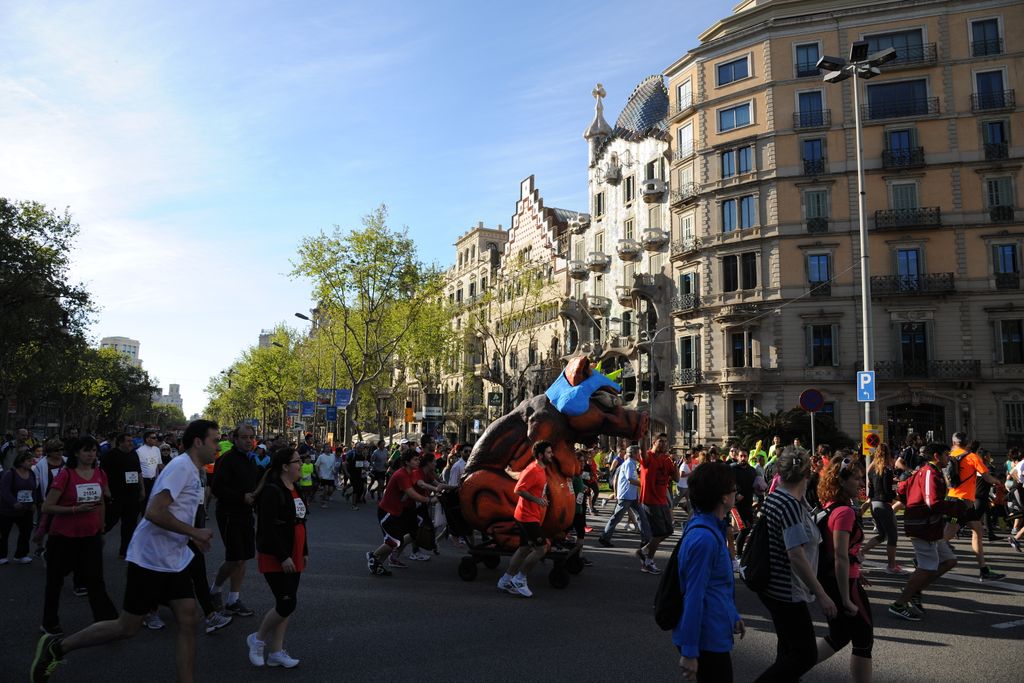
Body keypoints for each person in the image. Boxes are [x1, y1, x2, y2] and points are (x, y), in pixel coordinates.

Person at [31, 420, 220, 683]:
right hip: (151, 558)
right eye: (215, 440)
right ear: (198, 442)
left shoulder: (190, 468)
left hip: (173, 558)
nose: (218, 446)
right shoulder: (181, 468)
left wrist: (190, 537)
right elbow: (154, 511)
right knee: (126, 627)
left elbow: (175, 510)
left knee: (189, 619)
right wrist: (194, 532)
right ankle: (57, 647)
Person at [753, 447, 837, 683]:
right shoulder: (789, 504)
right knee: (805, 654)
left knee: (788, 650)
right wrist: (822, 594)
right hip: (787, 589)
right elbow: (796, 555)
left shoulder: (779, 496)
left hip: (775, 585)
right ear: (807, 475)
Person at [38, 437, 118, 636]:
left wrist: (101, 530)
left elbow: (101, 504)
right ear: (76, 453)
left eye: (94, 451)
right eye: (86, 450)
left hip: (90, 536)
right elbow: (47, 506)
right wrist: (75, 509)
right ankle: (49, 622)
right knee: (55, 581)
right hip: (63, 536)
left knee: (96, 580)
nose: (91, 454)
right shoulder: (66, 474)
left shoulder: (100, 473)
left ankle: (106, 622)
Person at [675, 462, 744, 683]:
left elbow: (718, 585)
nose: (736, 493)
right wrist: (689, 651)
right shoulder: (705, 539)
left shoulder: (712, 527)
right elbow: (693, 596)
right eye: (733, 489)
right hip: (707, 638)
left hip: (715, 629)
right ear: (723, 498)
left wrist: (732, 614)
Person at [246, 447, 308, 669]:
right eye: (297, 461)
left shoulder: (295, 488)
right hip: (277, 554)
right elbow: (267, 528)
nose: (301, 464)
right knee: (286, 602)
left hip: (295, 552)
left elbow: (301, 520)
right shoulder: (273, 490)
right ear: (285, 466)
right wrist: (283, 556)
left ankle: (276, 652)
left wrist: (304, 550)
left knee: (288, 602)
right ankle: (258, 638)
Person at [814, 458, 874, 683]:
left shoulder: (829, 506)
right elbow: (839, 555)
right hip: (843, 583)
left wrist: (857, 569)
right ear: (841, 481)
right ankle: (791, 667)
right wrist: (847, 598)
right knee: (863, 640)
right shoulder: (844, 512)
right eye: (857, 478)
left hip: (837, 579)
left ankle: (792, 668)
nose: (861, 483)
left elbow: (840, 553)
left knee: (839, 636)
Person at [888, 443, 959, 620]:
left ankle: (915, 589)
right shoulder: (930, 472)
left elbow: (902, 491)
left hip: (930, 526)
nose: (948, 458)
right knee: (928, 566)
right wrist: (956, 508)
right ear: (936, 456)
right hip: (923, 526)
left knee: (949, 561)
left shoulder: (928, 471)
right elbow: (932, 502)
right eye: (945, 454)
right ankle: (900, 603)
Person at [211, 424, 260, 617]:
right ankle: (214, 589)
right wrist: (241, 497)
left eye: (251, 437)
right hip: (229, 514)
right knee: (234, 558)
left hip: (246, 513)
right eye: (244, 437)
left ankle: (233, 599)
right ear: (234, 439)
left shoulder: (251, 460)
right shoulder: (226, 460)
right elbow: (217, 489)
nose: (249, 440)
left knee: (243, 558)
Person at [496, 440, 554, 598]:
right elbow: (518, 489)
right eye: (549, 452)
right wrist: (537, 500)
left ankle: (505, 580)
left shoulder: (539, 468)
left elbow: (519, 476)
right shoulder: (534, 470)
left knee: (523, 549)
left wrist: (509, 472)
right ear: (541, 455)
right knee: (541, 548)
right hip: (527, 517)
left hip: (527, 515)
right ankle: (520, 579)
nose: (552, 454)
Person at [944, 433, 1005, 581]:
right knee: (947, 534)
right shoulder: (972, 457)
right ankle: (922, 559)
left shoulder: (949, 455)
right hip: (962, 501)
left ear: (954, 442)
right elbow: (987, 477)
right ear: (968, 443)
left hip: (956, 499)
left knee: (978, 529)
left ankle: (983, 569)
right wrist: (998, 482)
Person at [366, 450, 432, 575]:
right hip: (387, 512)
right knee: (394, 541)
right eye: (415, 459)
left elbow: (420, 485)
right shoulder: (401, 474)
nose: (418, 461)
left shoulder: (410, 473)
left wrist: (434, 490)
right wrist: (428, 499)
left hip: (396, 511)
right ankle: (373, 556)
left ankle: (377, 565)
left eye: (418, 459)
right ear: (407, 462)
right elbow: (412, 493)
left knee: (395, 541)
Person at [638, 433, 679, 574]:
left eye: (665, 442)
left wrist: (675, 465)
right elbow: (642, 449)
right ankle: (648, 562)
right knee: (659, 533)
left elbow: (677, 479)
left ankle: (644, 551)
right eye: (660, 441)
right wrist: (642, 434)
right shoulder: (648, 457)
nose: (663, 444)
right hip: (650, 501)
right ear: (654, 442)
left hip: (662, 501)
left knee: (668, 531)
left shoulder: (667, 460)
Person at [860, 444, 905, 574]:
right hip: (884, 505)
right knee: (892, 536)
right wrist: (898, 495)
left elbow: (872, 490)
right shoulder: (887, 470)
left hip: (874, 504)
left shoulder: (872, 469)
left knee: (882, 534)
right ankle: (891, 565)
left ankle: (861, 553)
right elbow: (887, 491)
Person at [99, 433, 145, 559]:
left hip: (132, 496)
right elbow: (102, 475)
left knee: (130, 525)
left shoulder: (134, 454)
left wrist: (142, 489)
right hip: (116, 496)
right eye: (128, 441)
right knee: (109, 522)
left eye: (132, 441)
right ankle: (93, 543)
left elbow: (139, 472)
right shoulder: (110, 455)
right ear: (120, 443)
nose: (131, 443)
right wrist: (106, 490)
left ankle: (124, 551)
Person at [598, 445, 651, 551]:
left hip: (632, 495)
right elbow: (630, 479)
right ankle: (604, 537)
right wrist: (643, 484)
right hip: (626, 496)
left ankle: (646, 540)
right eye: (639, 453)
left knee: (642, 516)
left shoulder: (631, 463)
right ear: (635, 454)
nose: (640, 455)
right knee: (617, 517)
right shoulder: (629, 463)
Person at [1, 450, 41, 564]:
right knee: (4, 533)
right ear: (21, 461)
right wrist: (14, 503)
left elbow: (33, 489)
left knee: (26, 532)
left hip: (26, 509)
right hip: (8, 510)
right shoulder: (10, 473)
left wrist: (33, 503)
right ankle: (2, 556)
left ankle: (21, 555)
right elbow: (5, 491)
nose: (32, 463)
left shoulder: (32, 473)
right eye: (29, 461)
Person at [731, 448, 766, 559]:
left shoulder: (752, 470)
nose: (743, 458)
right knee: (743, 529)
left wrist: (761, 490)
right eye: (741, 456)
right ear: (737, 457)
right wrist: (736, 495)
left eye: (745, 456)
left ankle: (736, 547)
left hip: (748, 504)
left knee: (749, 528)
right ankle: (738, 554)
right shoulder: (732, 469)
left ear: (748, 457)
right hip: (735, 505)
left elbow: (756, 485)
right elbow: (727, 483)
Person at [136, 431, 163, 505]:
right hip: (144, 481)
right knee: (143, 502)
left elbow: (158, 465)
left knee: (151, 502)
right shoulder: (139, 451)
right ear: (147, 439)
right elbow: (137, 469)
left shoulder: (157, 449)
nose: (156, 439)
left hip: (154, 480)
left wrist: (157, 479)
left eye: (156, 438)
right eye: (153, 438)